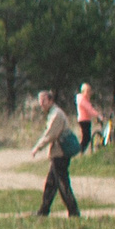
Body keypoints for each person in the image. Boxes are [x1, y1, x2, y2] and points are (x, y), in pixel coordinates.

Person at [31, 89, 80, 218]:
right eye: (40, 101)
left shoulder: (56, 115)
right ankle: (44, 210)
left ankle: (73, 211)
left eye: (43, 100)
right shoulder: (53, 113)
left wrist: (37, 148)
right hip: (57, 153)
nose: (41, 104)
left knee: (62, 183)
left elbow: (50, 135)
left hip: (61, 154)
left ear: (50, 100)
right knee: (51, 184)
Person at [77, 82, 101, 154]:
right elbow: (89, 109)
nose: (89, 93)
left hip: (86, 120)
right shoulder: (82, 99)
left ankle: (81, 152)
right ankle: (79, 151)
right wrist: (98, 115)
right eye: (87, 91)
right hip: (83, 120)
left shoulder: (84, 99)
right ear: (83, 91)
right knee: (86, 138)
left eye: (89, 91)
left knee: (86, 138)